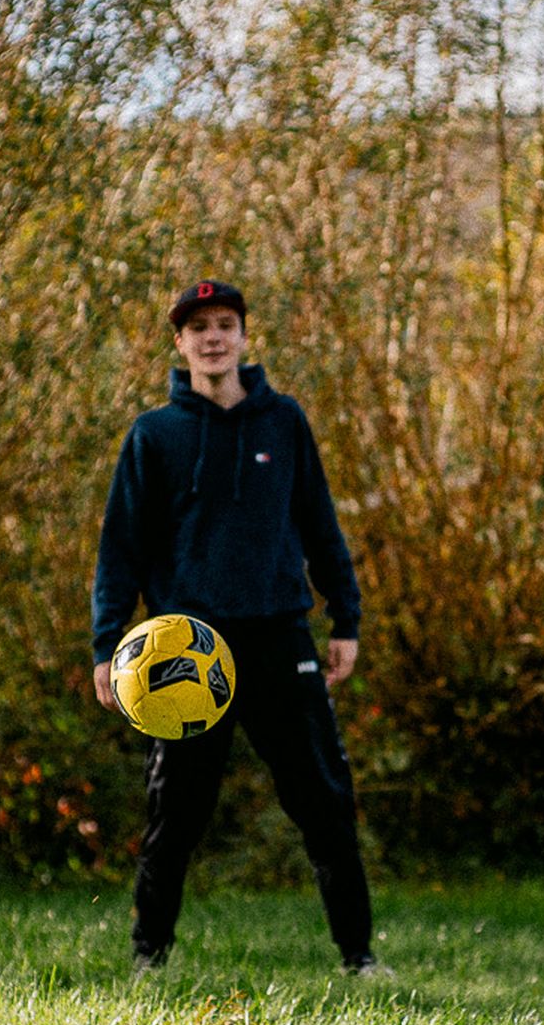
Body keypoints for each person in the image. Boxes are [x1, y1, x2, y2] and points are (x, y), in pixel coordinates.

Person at [92, 279, 379, 977]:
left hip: (281, 637)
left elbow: (318, 522)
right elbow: (120, 546)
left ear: (245, 336)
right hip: (183, 652)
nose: (212, 337)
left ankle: (359, 958)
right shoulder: (153, 434)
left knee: (325, 804)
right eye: (198, 328)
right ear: (180, 343)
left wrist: (345, 615)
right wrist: (107, 645)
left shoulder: (284, 422)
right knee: (175, 815)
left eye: (225, 324)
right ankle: (148, 957)